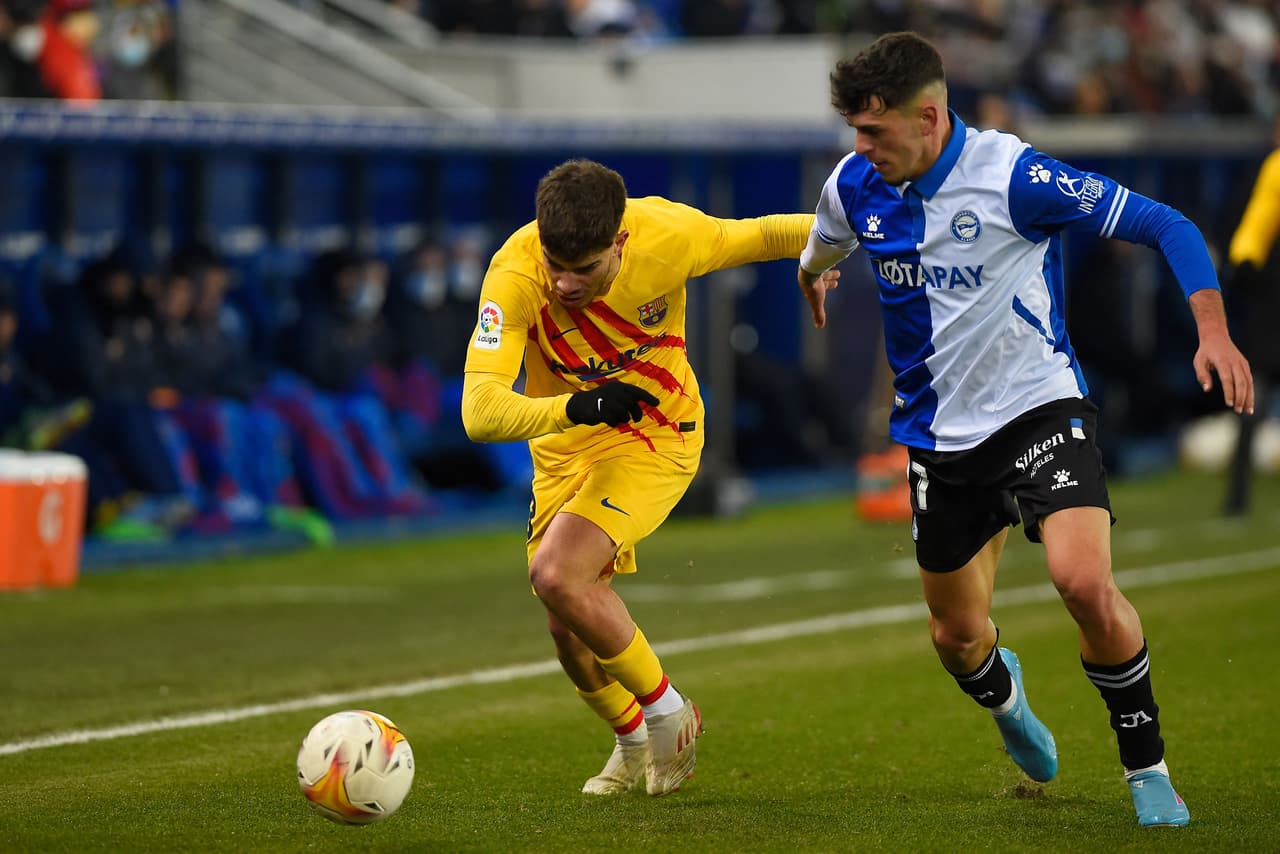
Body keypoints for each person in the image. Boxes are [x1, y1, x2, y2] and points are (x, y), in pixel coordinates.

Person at [794, 32, 1253, 828]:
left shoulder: (1013, 175)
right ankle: (1007, 701)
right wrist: (811, 278)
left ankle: (1147, 770)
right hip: (938, 438)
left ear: (929, 117)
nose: (859, 149)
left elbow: (1166, 224)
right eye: (854, 133)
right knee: (955, 637)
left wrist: (1211, 332)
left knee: (1082, 582)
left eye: (874, 131)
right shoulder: (853, 184)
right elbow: (821, 246)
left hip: (1038, 408)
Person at [461, 159, 837, 796]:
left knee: (557, 573)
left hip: (656, 434)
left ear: (621, 242)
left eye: (584, 269)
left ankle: (668, 711)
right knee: (566, 620)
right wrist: (571, 407)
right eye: (557, 264)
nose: (565, 283)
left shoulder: (669, 235)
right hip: (565, 447)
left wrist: (831, 255)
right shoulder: (515, 273)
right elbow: (478, 411)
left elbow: (769, 232)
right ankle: (632, 741)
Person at [1219, 116, 1280, 516]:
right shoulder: (1273, 167)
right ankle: (1237, 498)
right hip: (1270, 306)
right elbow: (1254, 226)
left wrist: (1243, 263)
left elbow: (1250, 235)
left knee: (1252, 400)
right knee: (1252, 399)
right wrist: (1244, 261)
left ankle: (1237, 501)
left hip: (1267, 303)